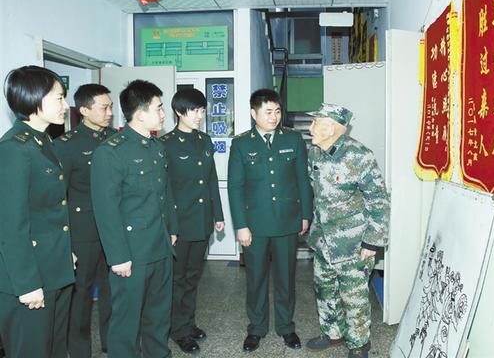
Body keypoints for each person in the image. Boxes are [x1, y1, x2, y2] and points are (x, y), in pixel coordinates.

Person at [90, 80, 178, 357]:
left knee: (158, 317)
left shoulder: (156, 147)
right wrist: (117, 257)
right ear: (139, 114)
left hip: (160, 245)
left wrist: (172, 230)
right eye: (158, 108)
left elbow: (165, 193)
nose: (163, 114)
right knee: (126, 324)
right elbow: (106, 210)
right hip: (131, 252)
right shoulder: (111, 151)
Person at [227, 89, 313, 352]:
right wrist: (241, 225)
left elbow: (303, 179)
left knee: (286, 278)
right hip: (255, 226)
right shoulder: (242, 143)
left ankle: (286, 327)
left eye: (277, 111)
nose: (274, 117)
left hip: (287, 221)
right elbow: (235, 187)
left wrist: (305, 214)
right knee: (256, 279)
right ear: (254, 114)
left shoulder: (293, 139)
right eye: (268, 112)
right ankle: (256, 328)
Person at [0, 65, 75, 357]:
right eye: (59, 98)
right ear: (33, 99)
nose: (66, 106)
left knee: (55, 350)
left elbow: (49, 210)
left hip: (54, 268)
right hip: (29, 278)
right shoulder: (13, 149)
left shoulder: (42, 141)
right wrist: (27, 284)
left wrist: (65, 251)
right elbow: (10, 225)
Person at [304, 103, 390, 358]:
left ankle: (359, 343)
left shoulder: (360, 156)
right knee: (325, 290)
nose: (310, 128)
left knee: (354, 297)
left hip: (353, 244)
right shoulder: (315, 153)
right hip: (323, 241)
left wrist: (372, 242)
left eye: (316, 123)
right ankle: (333, 334)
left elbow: (379, 201)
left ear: (331, 128)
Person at [160, 88, 225, 355]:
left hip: (202, 220)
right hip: (180, 224)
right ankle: (178, 331)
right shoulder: (165, 144)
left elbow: (211, 179)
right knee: (178, 279)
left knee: (192, 277)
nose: (199, 115)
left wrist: (218, 214)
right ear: (178, 111)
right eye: (194, 110)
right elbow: (165, 190)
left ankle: (188, 322)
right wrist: (171, 226)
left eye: (201, 110)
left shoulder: (204, 140)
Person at [53, 84, 115, 357]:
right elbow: (59, 196)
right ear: (84, 110)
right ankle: (79, 351)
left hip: (113, 232)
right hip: (83, 233)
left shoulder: (115, 139)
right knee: (81, 297)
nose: (110, 112)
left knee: (114, 291)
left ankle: (113, 344)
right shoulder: (66, 145)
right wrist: (65, 241)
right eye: (104, 107)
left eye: (111, 106)